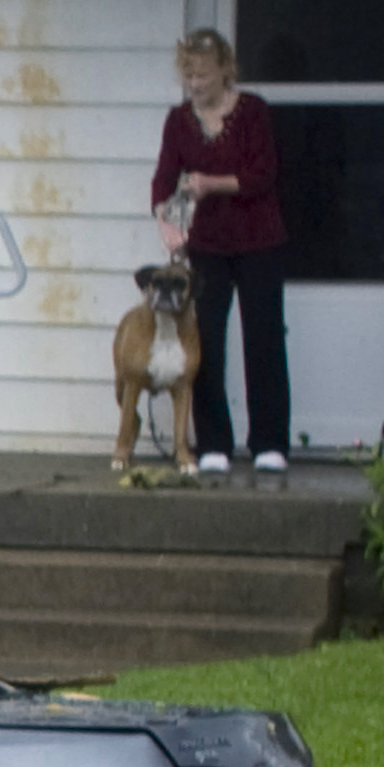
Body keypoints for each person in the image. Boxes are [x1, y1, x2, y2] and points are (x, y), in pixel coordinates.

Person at [147, 30, 292, 475]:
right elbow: (163, 179)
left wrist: (211, 183)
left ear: (226, 71)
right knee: (204, 339)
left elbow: (263, 175)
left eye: (204, 74)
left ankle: (269, 442)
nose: (195, 83)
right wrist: (165, 220)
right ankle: (213, 442)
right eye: (188, 74)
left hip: (259, 239)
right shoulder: (178, 121)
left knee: (263, 337)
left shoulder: (252, 112)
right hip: (206, 244)